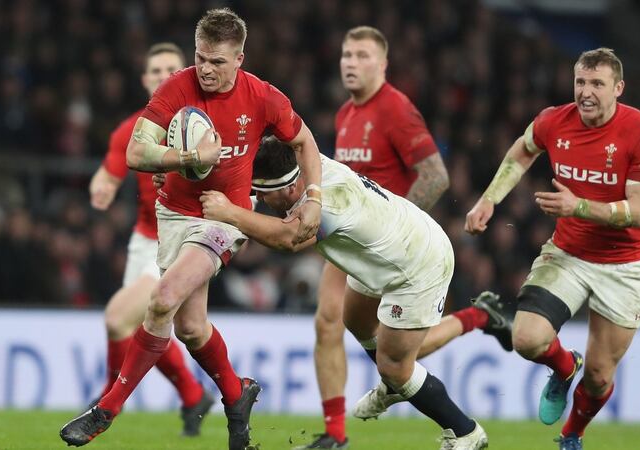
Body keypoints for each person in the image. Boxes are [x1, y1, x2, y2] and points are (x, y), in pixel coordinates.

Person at [60, 8, 323, 450]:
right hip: (174, 214)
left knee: (162, 298)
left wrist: (313, 196)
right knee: (191, 328)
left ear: (239, 59)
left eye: (218, 61)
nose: (206, 69)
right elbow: (136, 152)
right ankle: (237, 394)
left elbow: (304, 140)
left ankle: (106, 409)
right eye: (201, 57)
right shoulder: (176, 87)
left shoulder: (262, 97)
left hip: (223, 217)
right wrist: (186, 158)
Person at [200, 136, 489, 450]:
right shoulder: (308, 167)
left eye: (263, 192)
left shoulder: (327, 205)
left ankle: (466, 432)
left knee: (395, 366)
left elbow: (287, 240)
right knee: (355, 319)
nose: (259, 198)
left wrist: (230, 213)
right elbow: (297, 136)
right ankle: (396, 385)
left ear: (290, 188)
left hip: (418, 264)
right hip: (387, 248)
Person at [300, 26, 512, 450]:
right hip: (350, 238)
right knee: (339, 323)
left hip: (388, 247)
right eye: (346, 55)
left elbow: (435, 176)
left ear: (383, 64)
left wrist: (400, 227)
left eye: (362, 55)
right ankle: (339, 430)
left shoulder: (395, 109)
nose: (351, 63)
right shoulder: (346, 114)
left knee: (391, 348)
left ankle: (473, 321)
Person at [464, 48, 640, 450]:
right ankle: (565, 365)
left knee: (600, 377)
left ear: (618, 88)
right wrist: (489, 199)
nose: (586, 92)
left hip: (626, 266)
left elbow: (639, 212)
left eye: (597, 84)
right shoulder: (554, 120)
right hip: (569, 254)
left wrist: (579, 207)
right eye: (580, 82)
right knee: (526, 339)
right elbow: (522, 150)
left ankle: (572, 433)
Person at [86, 42, 214, 436]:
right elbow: (109, 171)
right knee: (141, 327)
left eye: (171, 69)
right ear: (144, 80)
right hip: (142, 241)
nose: (163, 76)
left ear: (185, 74)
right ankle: (193, 395)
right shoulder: (132, 129)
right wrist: (101, 186)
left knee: (117, 319)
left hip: (178, 242)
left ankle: (108, 401)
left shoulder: (204, 126)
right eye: (155, 71)